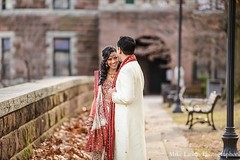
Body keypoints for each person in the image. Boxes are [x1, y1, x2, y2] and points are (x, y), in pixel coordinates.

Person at [108, 36, 147, 160]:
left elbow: (127, 97)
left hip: (127, 117)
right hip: (135, 115)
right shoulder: (136, 65)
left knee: (126, 150)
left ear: (119, 50)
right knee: (135, 149)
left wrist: (112, 95)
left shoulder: (126, 69)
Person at [85, 46, 120, 160]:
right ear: (105, 61)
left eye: (115, 58)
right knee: (100, 145)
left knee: (116, 145)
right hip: (102, 116)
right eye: (109, 59)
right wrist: (91, 117)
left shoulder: (122, 74)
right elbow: (96, 98)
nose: (113, 61)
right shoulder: (100, 76)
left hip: (117, 113)